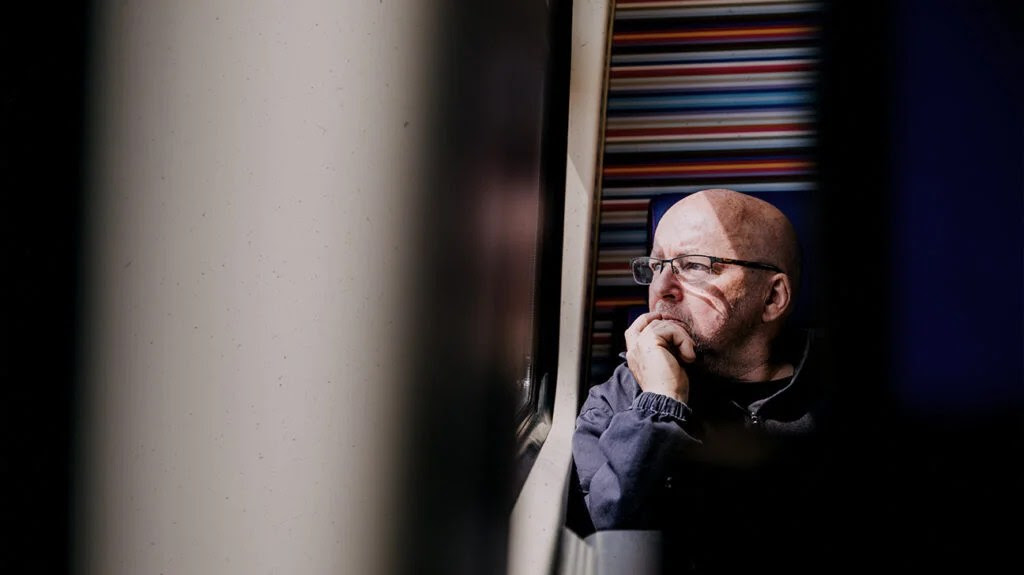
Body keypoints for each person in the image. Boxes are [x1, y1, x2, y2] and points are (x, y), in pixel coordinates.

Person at [571, 188, 835, 573]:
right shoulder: (616, 401)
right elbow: (615, 543)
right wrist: (661, 403)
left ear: (773, 297)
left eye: (694, 265)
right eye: (656, 266)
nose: (661, 288)